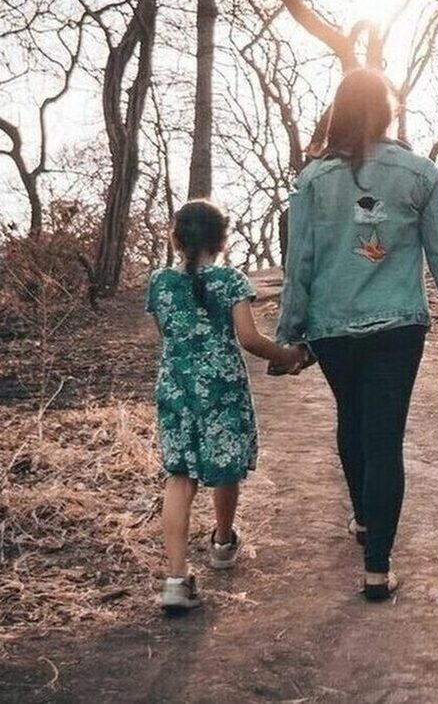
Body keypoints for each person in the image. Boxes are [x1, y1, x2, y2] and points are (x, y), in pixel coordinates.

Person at [275, 68, 438, 602]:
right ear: (388, 112)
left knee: (352, 418)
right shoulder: (419, 173)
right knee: (384, 437)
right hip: (398, 327)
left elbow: (299, 263)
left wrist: (289, 334)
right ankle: (377, 567)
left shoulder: (312, 180)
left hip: (332, 328)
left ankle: (366, 519)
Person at [148, 200, 305, 613]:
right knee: (226, 466)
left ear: (176, 239)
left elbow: (167, 332)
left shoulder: (160, 282)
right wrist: (288, 355)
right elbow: (249, 339)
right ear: (221, 241)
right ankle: (222, 542)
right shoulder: (231, 280)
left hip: (176, 386)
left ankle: (176, 580)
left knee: (179, 474)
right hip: (221, 387)